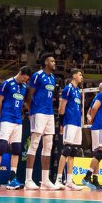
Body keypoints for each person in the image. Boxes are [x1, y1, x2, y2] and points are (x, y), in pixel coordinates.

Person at [0, 68, 31, 190]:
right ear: (21, 74)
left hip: (18, 121)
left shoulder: (24, 87)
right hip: (7, 119)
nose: (25, 81)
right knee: (1, 146)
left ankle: (12, 178)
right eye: (25, 78)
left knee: (17, 150)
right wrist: (0, 116)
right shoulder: (7, 83)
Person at [23, 53, 60, 190]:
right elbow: (29, 95)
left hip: (49, 113)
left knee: (48, 145)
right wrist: (31, 111)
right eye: (52, 60)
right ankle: (28, 180)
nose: (54, 62)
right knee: (34, 144)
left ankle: (45, 180)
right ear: (46, 62)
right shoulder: (38, 75)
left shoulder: (52, 78)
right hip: (38, 112)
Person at [56, 71, 86, 191]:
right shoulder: (67, 89)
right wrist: (61, 123)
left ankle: (69, 180)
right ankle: (58, 179)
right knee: (66, 149)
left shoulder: (78, 91)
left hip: (77, 123)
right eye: (80, 75)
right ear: (74, 76)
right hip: (69, 122)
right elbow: (61, 107)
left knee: (73, 151)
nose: (81, 77)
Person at [83, 79, 102, 192]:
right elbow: (94, 108)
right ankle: (87, 177)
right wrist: (92, 118)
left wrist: (89, 118)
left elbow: (89, 111)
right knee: (101, 153)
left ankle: (95, 180)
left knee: (97, 155)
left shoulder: (97, 97)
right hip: (99, 127)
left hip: (98, 127)